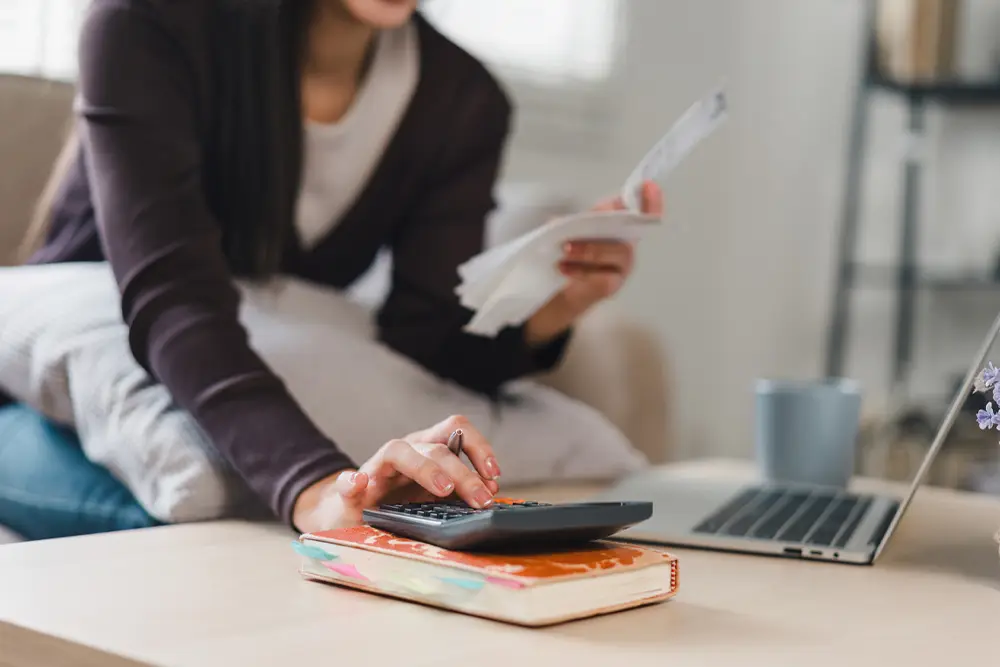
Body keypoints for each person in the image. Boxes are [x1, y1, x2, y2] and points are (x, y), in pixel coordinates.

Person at [0, 0, 664, 541]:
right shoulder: (149, 22)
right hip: (70, 359)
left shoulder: (460, 98)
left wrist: (555, 307)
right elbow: (176, 301)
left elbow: (424, 340)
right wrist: (316, 489)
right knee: (210, 514)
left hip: (226, 372)